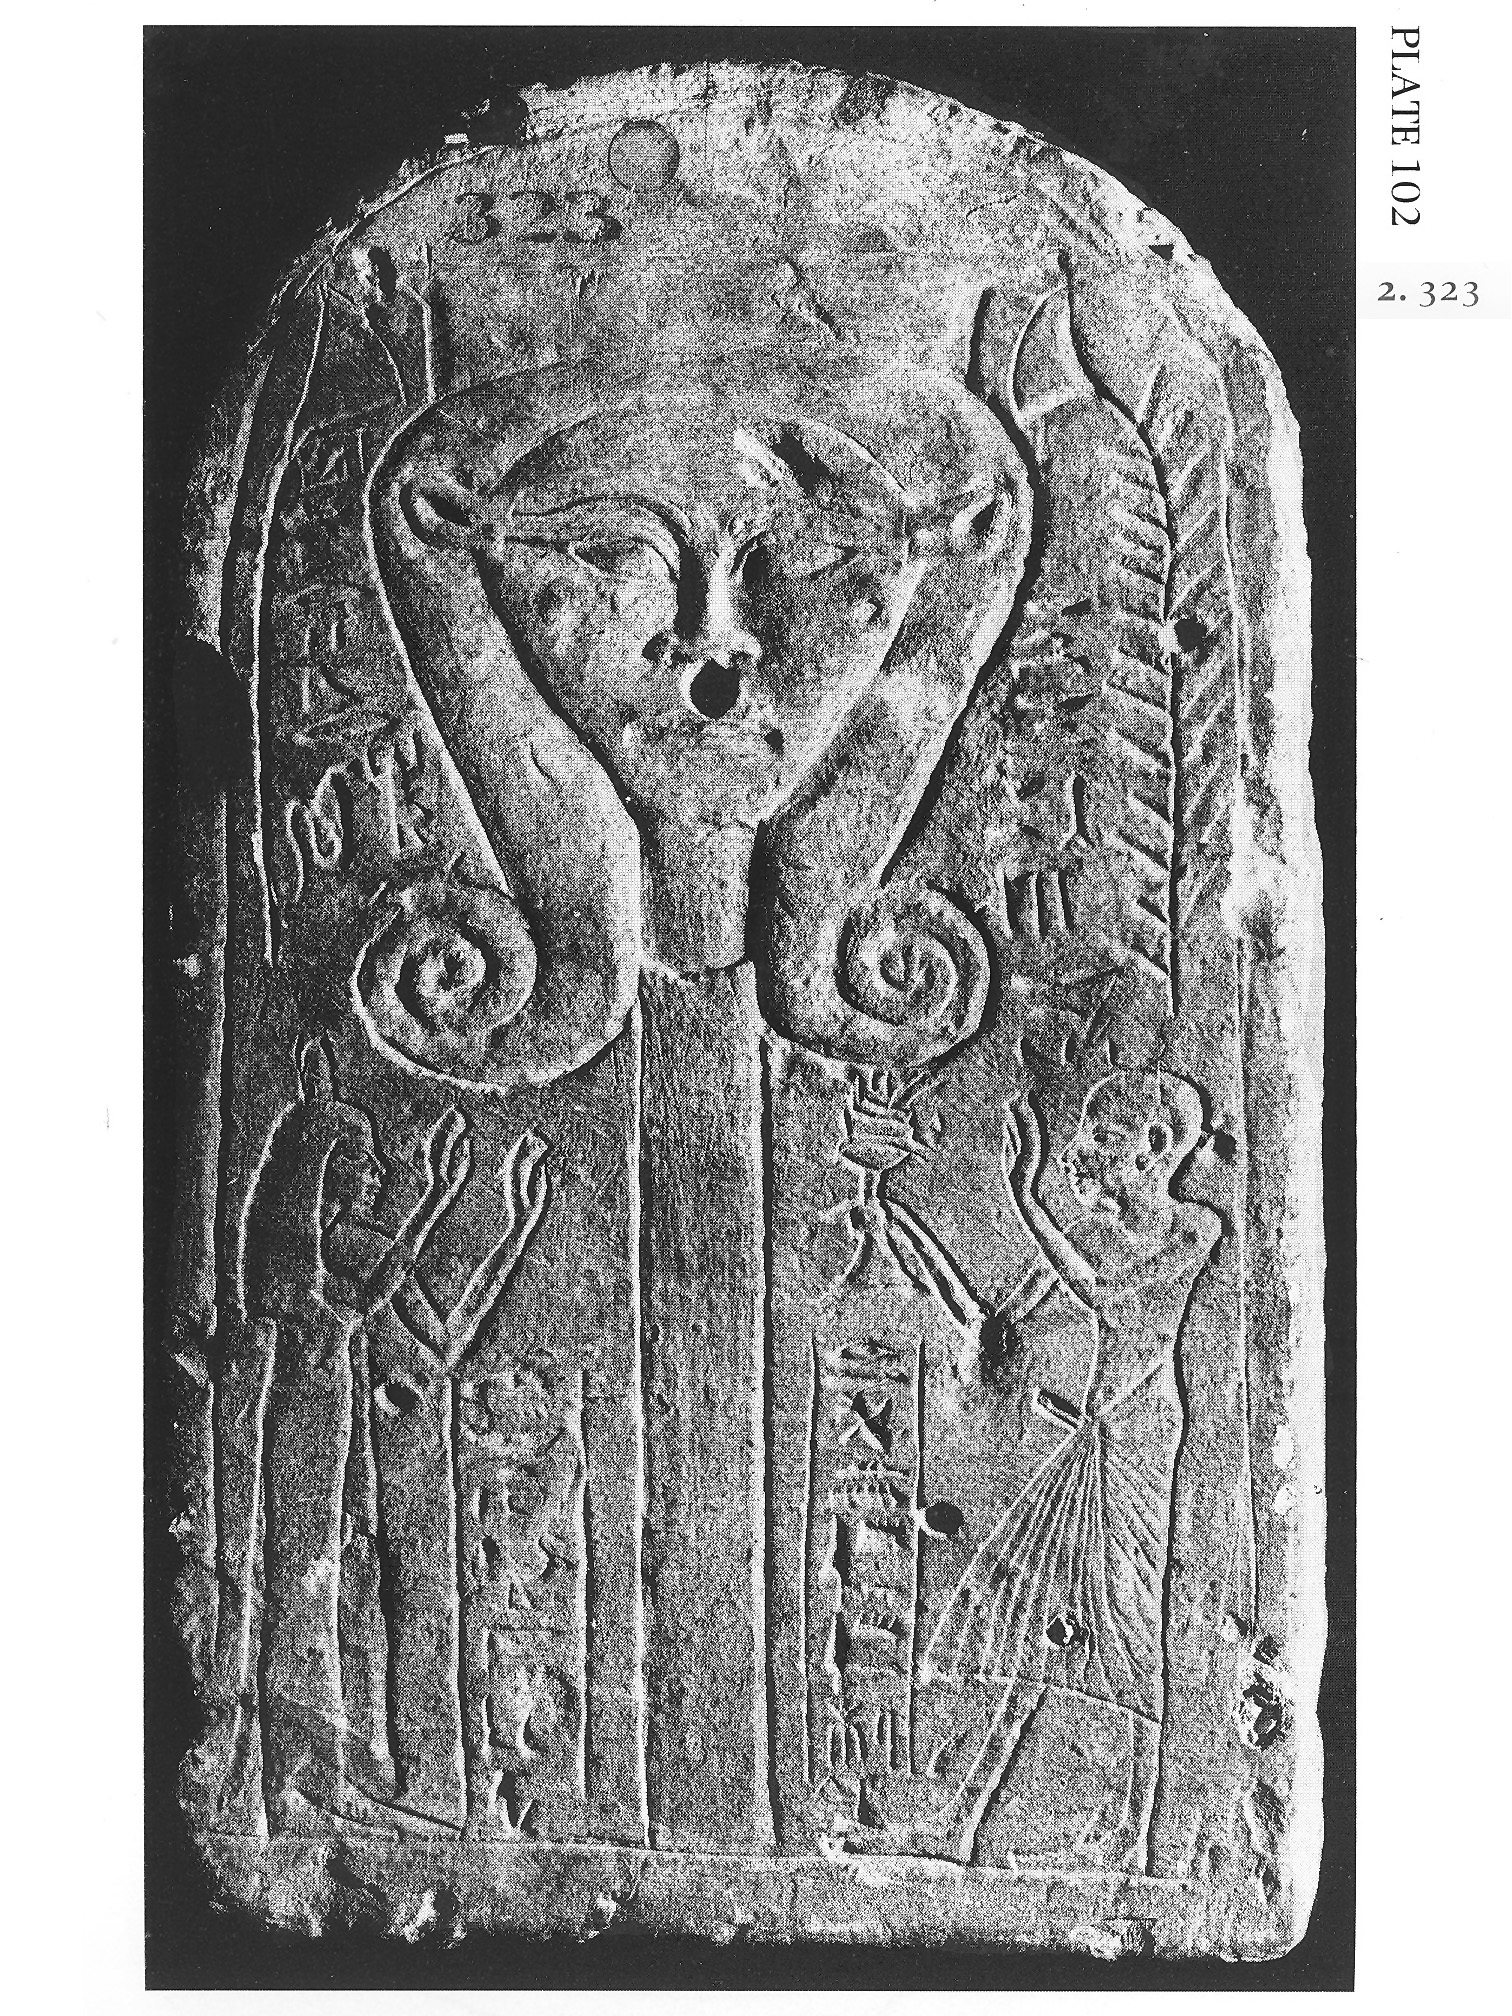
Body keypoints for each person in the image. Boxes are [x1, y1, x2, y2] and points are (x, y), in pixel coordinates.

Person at [916, 1069, 1221, 1870]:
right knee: (1031, 1612)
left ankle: (1135, 1830)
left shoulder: (1196, 1231)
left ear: (1155, 1146)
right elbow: (1043, 1294)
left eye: (1102, 1139)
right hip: (1093, 1431)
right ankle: (963, 1821)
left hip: (1134, 1437)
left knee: (1127, 1629)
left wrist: (1026, 1201)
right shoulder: (1115, 1232)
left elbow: (1106, 1294)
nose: (1084, 1152)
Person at [240, 1038, 471, 1831]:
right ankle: (299, 1768)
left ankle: (328, 1764)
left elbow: (388, 1300)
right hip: (304, 1425)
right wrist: (436, 1198)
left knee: (339, 1581)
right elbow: (360, 1306)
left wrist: (440, 1197)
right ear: (324, 1170)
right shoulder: (289, 1266)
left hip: (332, 1421)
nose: (375, 1175)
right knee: (305, 1582)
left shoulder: (322, 1255)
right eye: (360, 1162)